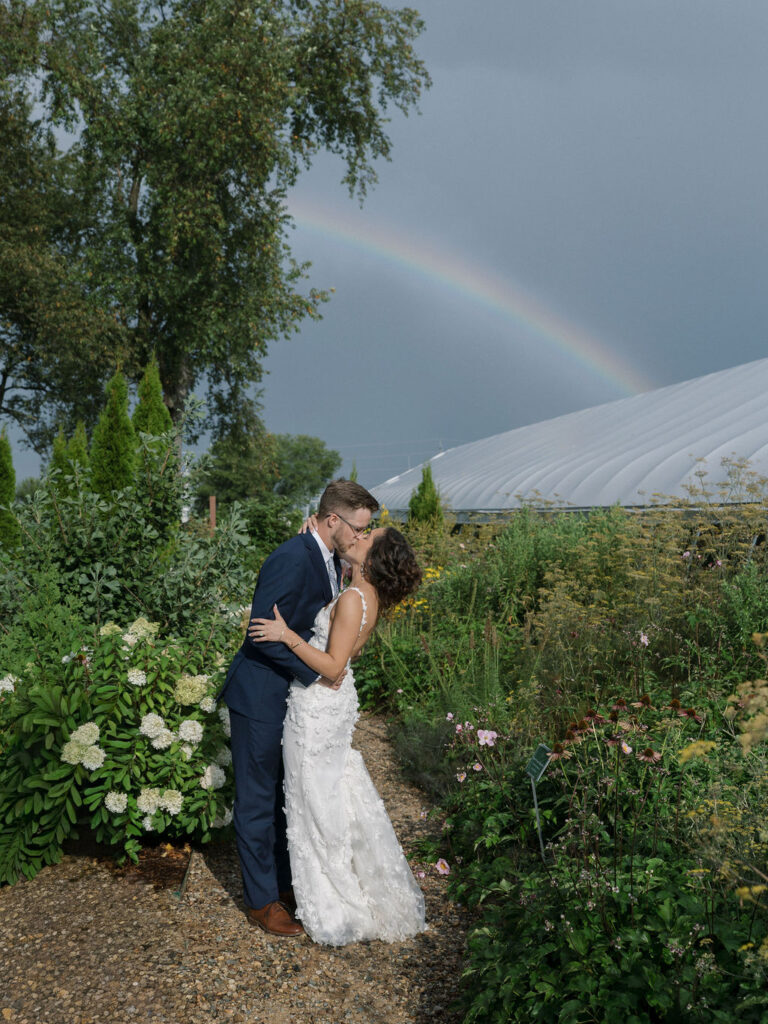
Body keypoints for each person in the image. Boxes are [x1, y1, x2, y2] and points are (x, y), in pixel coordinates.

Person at [249, 526, 427, 946]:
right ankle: (333, 882)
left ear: (373, 558)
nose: (357, 537)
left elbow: (332, 667)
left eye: (366, 537)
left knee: (311, 798)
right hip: (332, 707)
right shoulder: (365, 595)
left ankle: (332, 900)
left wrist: (286, 635)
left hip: (317, 708)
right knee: (323, 793)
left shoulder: (351, 600)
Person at [219, 479, 379, 937]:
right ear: (333, 520)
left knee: (282, 794)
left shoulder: (330, 556)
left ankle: (285, 883)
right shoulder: (292, 557)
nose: (360, 537)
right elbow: (261, 630)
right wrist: (319, 673)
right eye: (357, 528)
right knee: (256, 799)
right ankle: (261, 901)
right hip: (259, 693)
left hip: (289, 695)